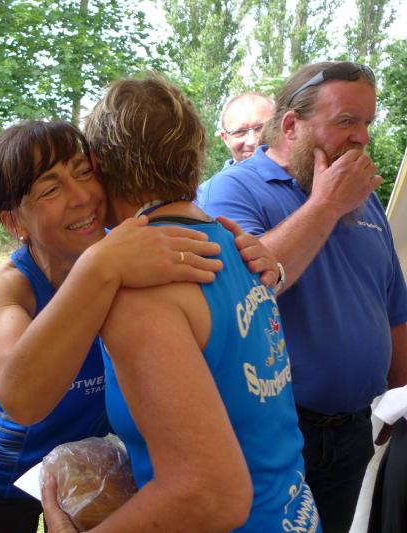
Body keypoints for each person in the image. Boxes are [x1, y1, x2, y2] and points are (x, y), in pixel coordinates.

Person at [0, 119, 280, 533]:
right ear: (14, 223)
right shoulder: (7, 287)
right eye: (50, 189)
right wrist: (99, 268)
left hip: (101, 473)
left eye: (84, 173)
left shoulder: (133, 250)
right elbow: (21, 398)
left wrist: (263, 263)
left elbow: (212, 265)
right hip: (14, 479)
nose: (82, 197)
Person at [41, 75, 320, 531]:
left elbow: (205, 493)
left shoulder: (142, 285)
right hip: (296, 515)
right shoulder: (234, 246)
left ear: (101, 164)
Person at [197, 60, 407, 533]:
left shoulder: (364, 197)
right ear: (291, 125)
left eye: (367, 123)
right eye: (346, 121)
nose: (361, 138)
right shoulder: (232, 191)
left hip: (355, 430)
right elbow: (243, 290)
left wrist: (399, 399)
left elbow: (393, 307)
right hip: (270, 436)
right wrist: (327, 204)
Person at [219, 92, 274, 167]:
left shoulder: (290, 172)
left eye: (261, 128)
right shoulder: (224, 175)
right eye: (239, 132)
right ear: (226, 139)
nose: (252, 142)